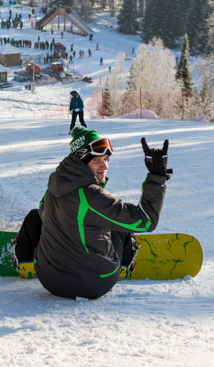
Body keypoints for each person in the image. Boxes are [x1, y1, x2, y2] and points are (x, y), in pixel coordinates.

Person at [12, 128, 171, 300]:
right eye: (97, 160)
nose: (104, 166)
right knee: (119, 226)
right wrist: (156, 176)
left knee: (36, 216)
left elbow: (44, 214)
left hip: (50, 280)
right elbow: (145, 221)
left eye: (106, 159)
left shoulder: (52, 189)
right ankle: (123, 265)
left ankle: (26, 262)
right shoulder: (91, 195)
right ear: (81, 161)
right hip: (94, 284)